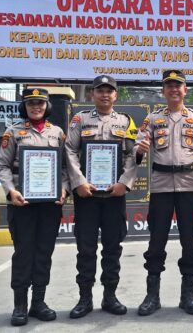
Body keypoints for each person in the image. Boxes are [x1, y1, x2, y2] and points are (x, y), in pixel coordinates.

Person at [135, 70, 193, 316]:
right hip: (160, 185)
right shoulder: (152, 119)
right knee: (156, 241)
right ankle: (152, 296)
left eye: (178, 86)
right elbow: (137, 155)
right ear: (163, 91)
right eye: (169, 86)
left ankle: (188, 295)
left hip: (188, 184)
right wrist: (140, 150)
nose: (173, 90)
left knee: (189, 241)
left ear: (185, 90)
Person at [65, 75, 138, 318]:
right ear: (92, 94)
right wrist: (79, 182)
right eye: (100, 91)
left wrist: (124, 183)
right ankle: (85, 299)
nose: (105, 95)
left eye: (109, 91)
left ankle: (110, 296)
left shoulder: (126, 121)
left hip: (114, 196)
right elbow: (70, 151)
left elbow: (132, 155)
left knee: (112, 248)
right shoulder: (80, 119)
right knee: (85, 249)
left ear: (116, 95)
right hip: (87, 196)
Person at [0, 88, 69, 326]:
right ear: (24, 107)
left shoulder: (58, 133)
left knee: (44, 253)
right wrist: (10, 190)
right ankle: (20, 305)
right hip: (22, 203)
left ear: (47, 106)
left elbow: (65, 169)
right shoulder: (13, 132)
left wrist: (64, 189)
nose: (36, 107)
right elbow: (3, 166)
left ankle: (39, 302)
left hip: (50, 205)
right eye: (31, 104)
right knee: (23, 253)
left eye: (40, 103)